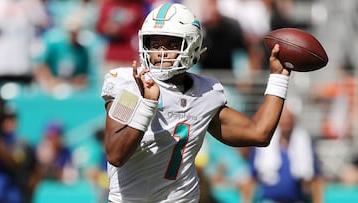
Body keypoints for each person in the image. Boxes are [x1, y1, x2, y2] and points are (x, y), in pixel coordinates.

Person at [101, 3, 291, 202]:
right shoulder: (129, 87)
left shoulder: (205, 94)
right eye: (155, 43)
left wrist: (278, 77)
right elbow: (116, 154)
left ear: (193, 46)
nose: (161, 52)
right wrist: (147, 104)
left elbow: (259, 133)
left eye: (172, 44)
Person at [247, 105, 323, 203]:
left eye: (289, 118)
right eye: (283, 118)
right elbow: (252, 177)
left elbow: (316, 178)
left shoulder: (304, 143)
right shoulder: (262, 145)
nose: (286, 122)